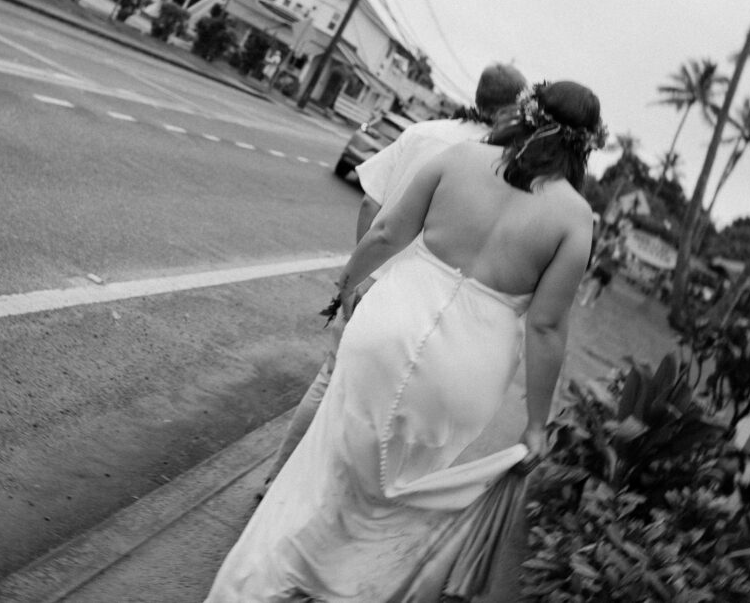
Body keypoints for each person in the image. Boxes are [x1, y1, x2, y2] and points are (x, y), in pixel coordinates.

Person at [206, 81, 605, 601]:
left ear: (523, 115)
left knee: (331, 463)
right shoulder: (574, 218)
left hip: (388, 327)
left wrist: (346, 286)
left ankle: (264, 579)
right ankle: (348, 586)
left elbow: (386, 233)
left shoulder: (461, 158)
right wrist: (535, 424)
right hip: (467, 371)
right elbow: (547, 326)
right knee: (403, 487)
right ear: (587, 146)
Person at [259, 64, 528, 494]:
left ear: (477, 95)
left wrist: (358, 275)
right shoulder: (498, 163)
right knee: (387, 415)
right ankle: (337, 497)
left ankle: (276, 480)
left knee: (330, 382)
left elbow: (371, 204)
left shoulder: (423, 133)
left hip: (374, 282)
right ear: (514, 107)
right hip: (428, 305)